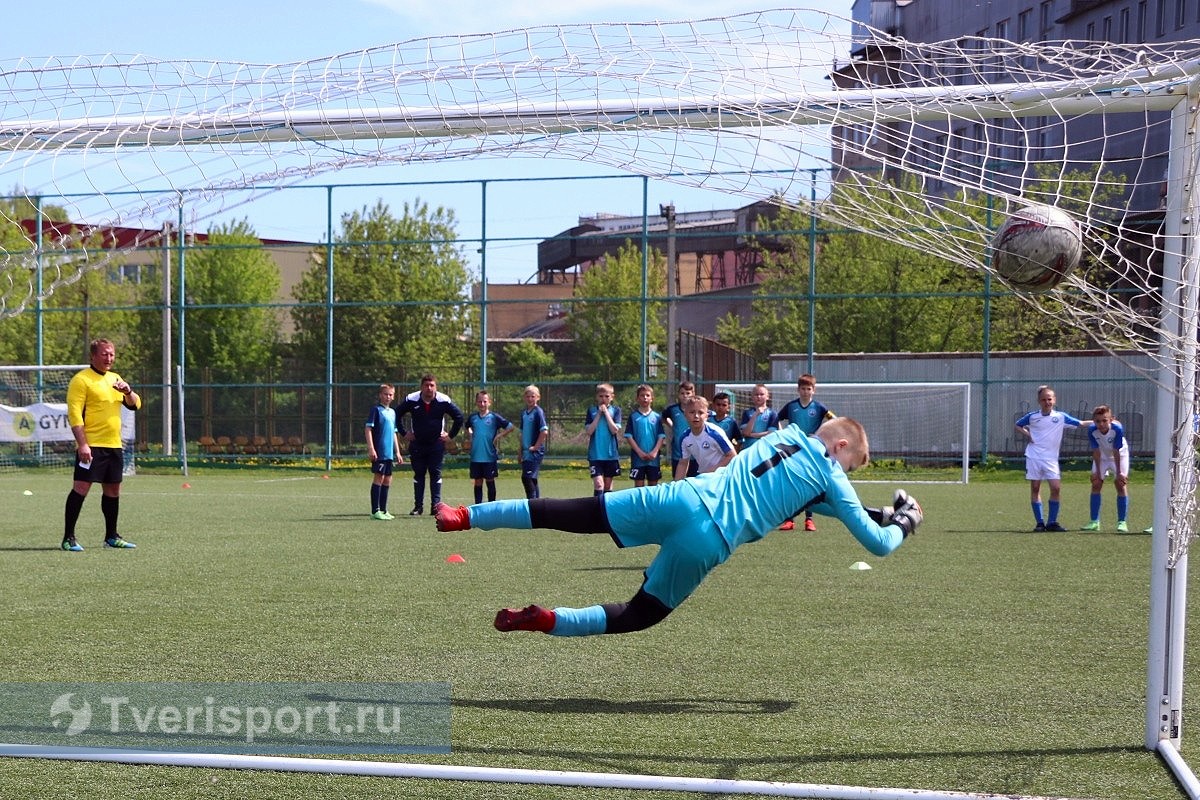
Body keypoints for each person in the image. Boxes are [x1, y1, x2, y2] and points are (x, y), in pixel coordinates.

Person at [433, 416, 923, 636]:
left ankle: (464, 517)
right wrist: (903, 521)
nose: (846, 477)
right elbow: (878, 544)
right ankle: (547, 619)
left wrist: (872, 509)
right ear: (839, 449)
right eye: (850, 467)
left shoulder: (786, 432)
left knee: (571, 512)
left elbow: (812, 497)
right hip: (709, 540)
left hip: (682, 497)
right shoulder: (829, 475)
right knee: (638, 613)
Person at [62, 338, 141, 551]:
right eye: (104, 354)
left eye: (112, 354)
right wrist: (83, 445)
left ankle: (111, 537)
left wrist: (128, 391)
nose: (109, 358)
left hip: (114, 445)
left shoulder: (115, 379)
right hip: (91, 445)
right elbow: (75, 414)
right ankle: (68, 538)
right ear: (93, 356)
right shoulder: (82, 380)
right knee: (80, 488)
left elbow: (135, 405)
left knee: (113, 490)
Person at [1015, 385, 1083, 532]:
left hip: (1051, 459)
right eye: (1044, 399)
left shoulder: (1060, 417)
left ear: (1054, 400)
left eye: (1049, 399)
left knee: (1056, 488)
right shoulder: (1032, 416)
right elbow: (1018, 425)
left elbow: (1081, 423)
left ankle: (1052, 522)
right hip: (1034, 456)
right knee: (1035, 488)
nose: (1047, 402)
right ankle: (1040, 523)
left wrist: (1105, 422)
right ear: (1039, 401)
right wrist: (1029, 435)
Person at [396, 374, 465, 516]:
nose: (429, 388)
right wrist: (403, 433)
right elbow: (396, 415)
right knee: (419, 474)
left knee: (435, 474)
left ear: (436, 387)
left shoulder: (443, 400)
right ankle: (418, 507)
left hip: (436, 445)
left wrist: (450, 435)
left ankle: (435, 507)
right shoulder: (411, 399)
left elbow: (459, 417)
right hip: (417, 444)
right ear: (421, 387)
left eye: (432, 385)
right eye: (426, 385)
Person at [777, 374, 837, 531]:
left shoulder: (819, 407)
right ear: (798, 390)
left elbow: (835, 420)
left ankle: (809, 519)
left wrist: (822, 435)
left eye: (808, 389)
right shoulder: (791, 406)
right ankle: (789, 519)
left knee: (810, 483)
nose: (805, 391)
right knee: (792, 482)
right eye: (802, 388)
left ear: (814, 390)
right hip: (793, 450)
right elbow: (775, 419)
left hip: (811, 451)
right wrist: (783, 433)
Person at [1082, 404, 1130, 533]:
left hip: (1119, 456)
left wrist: (1119, 472)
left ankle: (1122, 522)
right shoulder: (1092, 430)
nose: (1101, 424)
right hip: (1102, 456)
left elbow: (1116, 451)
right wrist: (1097, 472)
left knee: (1120, 484)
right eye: (1098, 421)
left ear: (1111, 419)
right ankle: (1094, 522)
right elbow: (1096, 452)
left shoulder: (1117, 429)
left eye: (1104, 420)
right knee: (1096, 483)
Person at [465, 390, 514, 504]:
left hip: (489, 456)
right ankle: (478, 507)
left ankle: (491, 507)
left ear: (489, 402)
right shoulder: (473, 417)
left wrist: (498, 436)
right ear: (476, 402)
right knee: (478, 481)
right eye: (480, 401)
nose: (482, 404)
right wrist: (470, 435)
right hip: (476, 456)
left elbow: (510, 427)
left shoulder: (494, 417)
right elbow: (467, 427)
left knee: (490, 481)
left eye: (484, 401)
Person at [365, 383, 404, 520]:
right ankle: (375, 511)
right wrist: (371, 448)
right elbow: (368, 429)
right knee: (379, 477)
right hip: (379, 452)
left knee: (388, 479)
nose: (388, 397)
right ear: (380, 395)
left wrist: (397, 452)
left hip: (389, 453)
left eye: (391, 394)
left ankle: (383, 509)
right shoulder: (376, 410)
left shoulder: (392, 413)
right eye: (386, 394)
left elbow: (394, 433)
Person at [674, 395, 735, 478]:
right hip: (705, 478)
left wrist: (711, 472)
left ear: (707, 415)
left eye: (701, 413)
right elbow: (683, 463)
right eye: (692, 412)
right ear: (685, 415)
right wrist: (677, 486)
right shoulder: (685, 438)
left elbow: (732, 455)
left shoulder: (714, 433)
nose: (696, 416)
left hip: (724, 477)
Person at [624, 384, 665, 487]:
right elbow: (629, 436)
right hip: (638, 459)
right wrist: (639, 452)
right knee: (639, 487)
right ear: (637, 398)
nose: (645, 398)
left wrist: (654, 452)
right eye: (642, 395)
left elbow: (661, 436)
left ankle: (652, 504)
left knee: (653, 487)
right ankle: (639, 504)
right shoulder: (633, 417)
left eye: (647, 395)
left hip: (653, 459)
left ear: (652, 398)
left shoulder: (656, 417)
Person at [585, 382, 623, 496]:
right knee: (598, 484)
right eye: (601, 396)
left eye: (607, 396)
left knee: (607, 486)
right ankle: (597, 509)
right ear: (597, 397)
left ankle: (606, 510)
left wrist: (606, 413)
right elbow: (589, 431)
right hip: (595, 455)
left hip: (610, 455)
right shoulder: (591, 411)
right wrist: (598, 415)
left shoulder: (615, 411)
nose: (603, 399)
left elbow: (614, 430)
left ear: (612, 397)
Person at [661, 381, 698, 479]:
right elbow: (663, 417)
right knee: (678, 481)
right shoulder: (673, 409)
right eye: (682, 393)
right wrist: (672, 425)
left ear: (693, 394)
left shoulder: (698, 409)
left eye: (688, 393)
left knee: (694, 481)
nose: (685, 396)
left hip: (696, 454)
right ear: (678, 395)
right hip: (678, 453)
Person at [519, 385, 549, 499]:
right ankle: (537, 504)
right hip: (526, 452)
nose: (530, 399)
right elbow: (521, 434)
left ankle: (532, 504)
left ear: (538, 397)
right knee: (532, 479)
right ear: (524, 398)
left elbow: (544, 431)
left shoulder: (538, 412)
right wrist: (520, 451)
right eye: (528, 396)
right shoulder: (524, 413)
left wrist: (536, 446)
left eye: (533, 396)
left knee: (526, 478)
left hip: (534, 452)